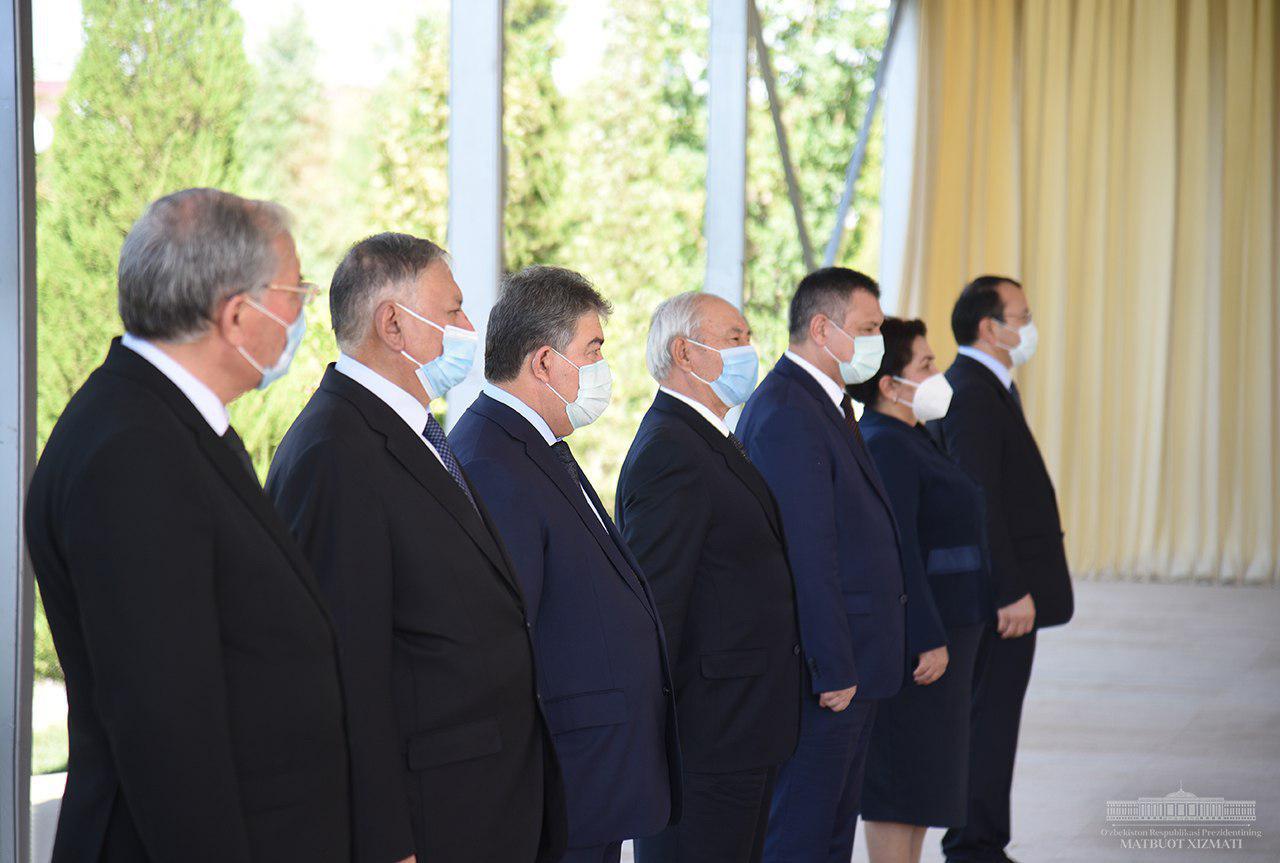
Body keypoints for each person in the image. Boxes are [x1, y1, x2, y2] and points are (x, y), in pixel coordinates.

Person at [24, 188, 351, 862]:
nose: (302, 311)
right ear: (237, 314)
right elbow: (165, 726)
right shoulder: (133, 452)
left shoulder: (168, 421)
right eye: (295, 292)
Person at [265, 234, 567, 863]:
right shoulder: (333, 452)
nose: (469, 329)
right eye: (453, 311)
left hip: (484, 801)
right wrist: (384, 839)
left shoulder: (414, 431)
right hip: (431, 819)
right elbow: (345, 668)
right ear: (393, 323)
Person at [449, 265, 680, 863]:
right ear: (545, 362)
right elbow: (505, 636)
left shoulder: (536, 444)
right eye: (593, 349)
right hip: (563, 774)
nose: (603, 366)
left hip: (594, 771)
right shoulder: (492, 458)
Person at [616, 292, 801, 863]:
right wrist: (653, 738)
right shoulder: (670, 450)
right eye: (734, 338)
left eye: (749, 337)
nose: (750, 350)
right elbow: (657, 605)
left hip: (744, 722)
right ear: (684, 353)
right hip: (708, 733)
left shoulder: (708, 438)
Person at [736, 266, 907, 863]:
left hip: (855, 663)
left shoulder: (827, 403)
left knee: (832, 835)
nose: (877, 341)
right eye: (868, 328)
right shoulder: (788, 410)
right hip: (827, 676)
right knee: (801, 836)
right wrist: (833, 666)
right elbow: (808, 552)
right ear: (821, 328)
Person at [931, 275, 1073, 863]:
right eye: (1023, 316)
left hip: (1004, 590)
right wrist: (1009, 589)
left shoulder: (991, 385)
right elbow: (978, 498)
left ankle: (983, 839)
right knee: (987, 722)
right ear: (990, 327)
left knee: (995, 720)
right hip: (997, 597)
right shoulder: (969, 390)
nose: (1030, 327)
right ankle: (974, 846)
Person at [846, 318, 993, 863]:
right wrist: (924, 636)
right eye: (926, 365)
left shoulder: (914, 435)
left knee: (925, 785)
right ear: (889, 384)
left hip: (952, 629)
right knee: (899, 783)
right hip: (919, 644)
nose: (938, 375)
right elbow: (897, 550)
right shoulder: (885, 444)